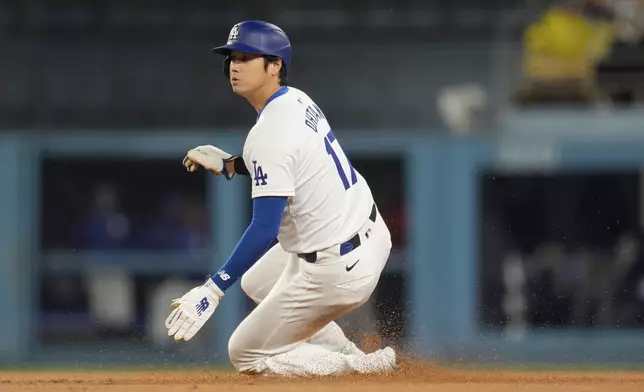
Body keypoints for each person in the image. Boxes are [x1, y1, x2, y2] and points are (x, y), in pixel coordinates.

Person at [165, 20, 395, 377]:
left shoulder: (270, 132)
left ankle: (351, 366)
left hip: (336, 268)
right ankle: (352, 354)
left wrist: (213, 289)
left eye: (247, 57)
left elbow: (264, 226)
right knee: (256, 281)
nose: (235, 66)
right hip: (367, 234)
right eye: (232, 58)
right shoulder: (297, 99)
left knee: (244, 354)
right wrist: (232, 165)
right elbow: (292, 161)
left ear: (275, 66)